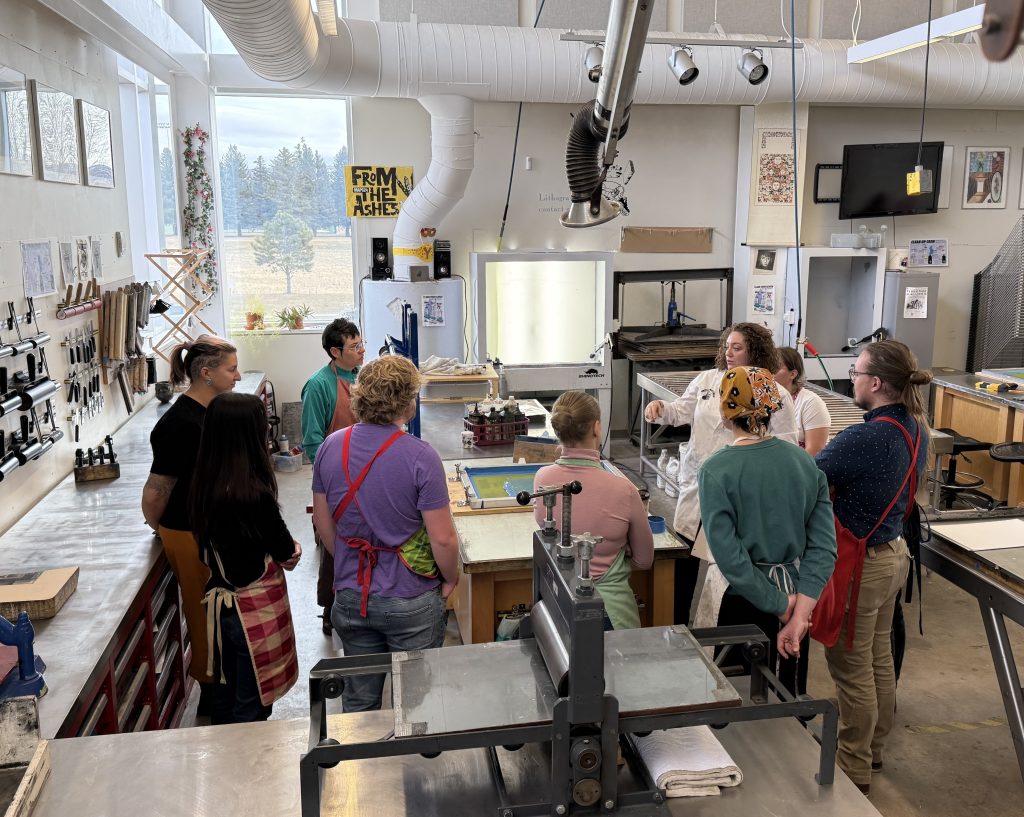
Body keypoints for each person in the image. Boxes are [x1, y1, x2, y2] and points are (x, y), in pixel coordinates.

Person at [815, 340, 931, 794]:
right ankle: (874, 747)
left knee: (850, 666)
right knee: (878, 656)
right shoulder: (915, 427)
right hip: (894, 554)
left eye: (858, 373)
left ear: (877, 383)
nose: (852, 380)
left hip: (863, 565)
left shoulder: (865, 437)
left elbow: (810, 477)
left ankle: (852, 768)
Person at [311, 355, 459, 712]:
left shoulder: (332, 446)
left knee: (359, 700)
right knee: (416, 702)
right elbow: (443, 538)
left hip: (351, 595)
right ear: (409, 401)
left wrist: (348, 561)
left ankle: (361, 763)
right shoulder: (420, 456)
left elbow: (323, 524)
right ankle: (413, 766)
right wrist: (450, 578)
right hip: (410, 597)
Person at [643, 323, 799, 624]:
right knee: (685, 560)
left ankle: (731, 634)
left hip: (741, 495)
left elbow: (785, 444)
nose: (728, 352)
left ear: (755, 350)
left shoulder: (773, 391)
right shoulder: (707, 380)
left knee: (732, 566)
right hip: (699, 487)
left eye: (737, 347)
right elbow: (680, 411)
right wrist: (661, 408)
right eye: (726, 346)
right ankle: (677, 625)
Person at [697, 367, 836, 697]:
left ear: (725, 409)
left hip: (741, 599)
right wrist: (799, 613)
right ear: (774, 407)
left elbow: (730, 558)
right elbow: (824, 549)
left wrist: (777, 603)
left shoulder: (716, 470)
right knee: (783, 701)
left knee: (733, 697)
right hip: (797, 591)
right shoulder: (804, 463)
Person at [189, 393, 301, 724]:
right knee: (251, 707)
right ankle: (244, 771)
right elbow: (285, 551)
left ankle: (225, 765)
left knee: (224, 693)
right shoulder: (253, 493)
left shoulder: (202, 483)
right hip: (251, 612)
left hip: (220, 606)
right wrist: (292, 550)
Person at [141, 335, 241, 696]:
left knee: (221, 611)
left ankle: (224, 678)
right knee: (204, 616)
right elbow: (156, 492)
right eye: (231, 370)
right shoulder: (178, 424)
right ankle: (212, 688)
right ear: (206, 373)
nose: (238, 376)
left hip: (211, 531)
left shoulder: (212, 414)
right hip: (189, 533)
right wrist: (164, 530)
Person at [533, 391, 654, 630]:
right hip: (611, 615)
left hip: (557, 607)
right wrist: (618, 546)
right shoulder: (624, 490)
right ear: (597, 428)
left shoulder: (543, 480)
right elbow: (644, 559)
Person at [301, 319, 365, 635]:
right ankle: (330, 607)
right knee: (334, 544)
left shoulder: (361, 378)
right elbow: (312, 441)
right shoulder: (319, 385)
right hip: (336, 478)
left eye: (361, 344)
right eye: (354, 347)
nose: (362, 351)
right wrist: (334, 479)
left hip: (367, 472)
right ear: (335, 351)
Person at [775, 346, 832, 456]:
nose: (770, 372)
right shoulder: (763, 400)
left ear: (793, 374)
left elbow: (815, 451)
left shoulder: (811, 402)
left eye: (776, 367)